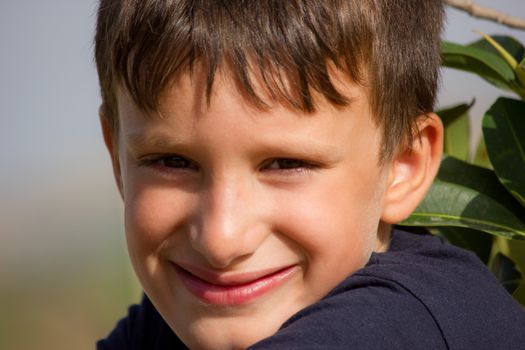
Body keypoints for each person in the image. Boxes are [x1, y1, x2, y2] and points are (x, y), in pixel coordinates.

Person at [94, 0, 525, 349]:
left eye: (286, 164)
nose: (221, 240)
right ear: (118, 159)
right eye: (171, 161)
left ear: (401, 166)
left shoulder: (400, 324)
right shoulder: (162, 326)